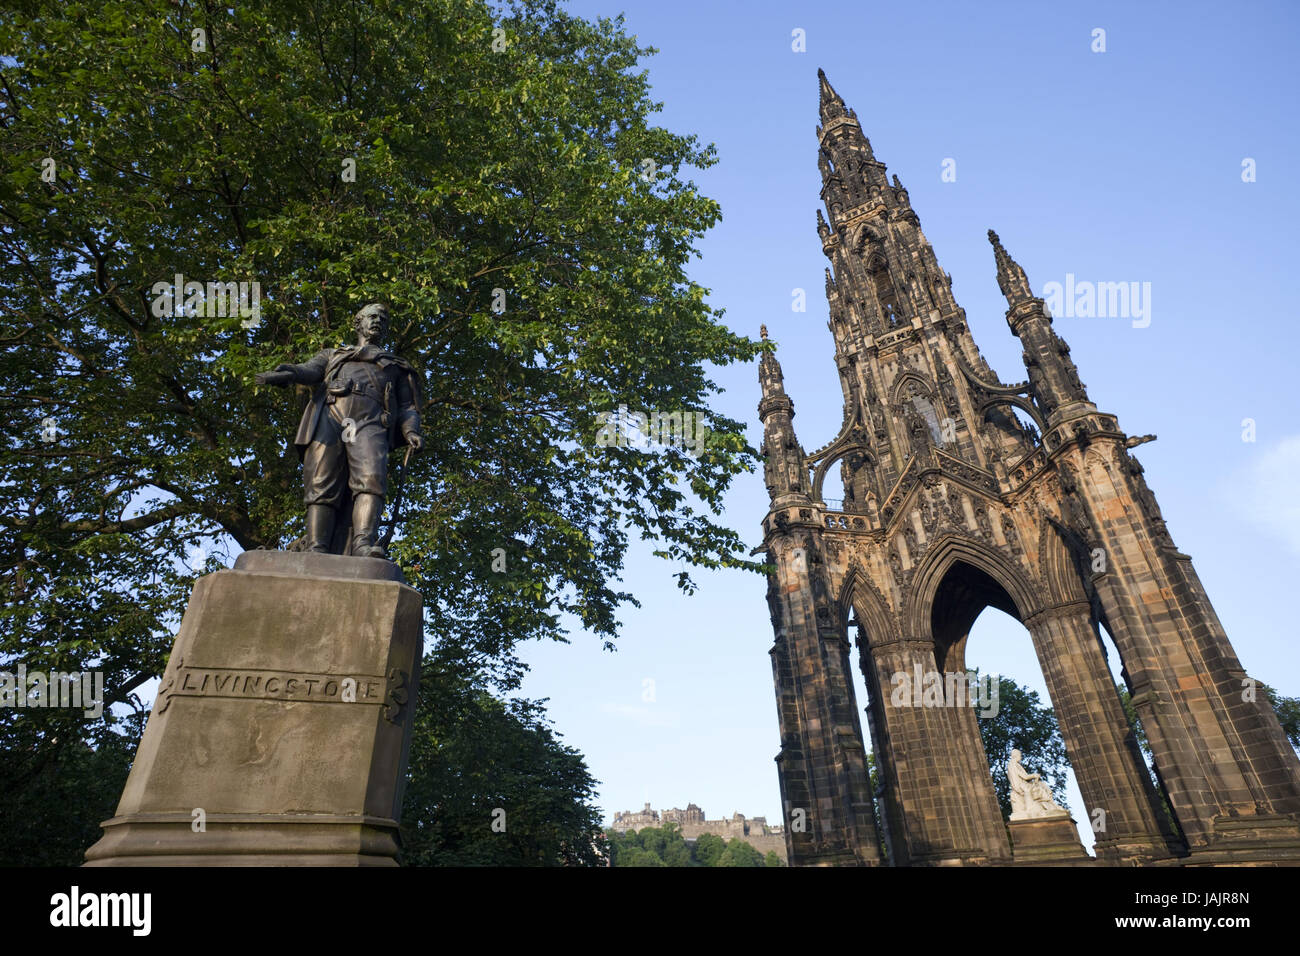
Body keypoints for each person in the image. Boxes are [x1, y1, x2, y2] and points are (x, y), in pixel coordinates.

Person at [255, 303, 422, 557]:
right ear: (358, 323)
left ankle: (363, 545)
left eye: (383, 318)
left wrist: (411, 431)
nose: (377, 321)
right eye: (372, 316)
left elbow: (409, 405)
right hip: (331, 414)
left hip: (371, 419)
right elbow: (309, 371)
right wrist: (288, 374)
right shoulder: (333, 355)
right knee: (321, 481)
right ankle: (316, 548)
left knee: (371, 479)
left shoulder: (396, 366)